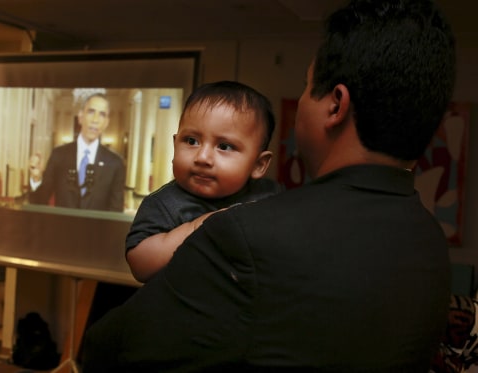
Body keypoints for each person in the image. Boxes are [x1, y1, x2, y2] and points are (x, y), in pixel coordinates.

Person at [82, 0, 456, 371]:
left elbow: (107, 351)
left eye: (307, 87)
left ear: (335, 105)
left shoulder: (246, 234)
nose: (204, 156)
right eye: (191, 141)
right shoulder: (428, 240)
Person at [125, 81, 282, 283]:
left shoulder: (268, 196)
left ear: (258, 165)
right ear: (175, 144)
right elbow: (140, 265)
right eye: (191, 141)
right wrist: (199, 226)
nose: (202, 157)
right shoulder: (164, 204)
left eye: (224, 146)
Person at [28, 93, 125, 212]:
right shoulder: (58, 155)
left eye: (102, 114)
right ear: (80, 117)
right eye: (91, 112)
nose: (95, 119)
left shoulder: (115, 163)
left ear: (106, 122)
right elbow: (40, 202)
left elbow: (115, 213)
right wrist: (36, 179)